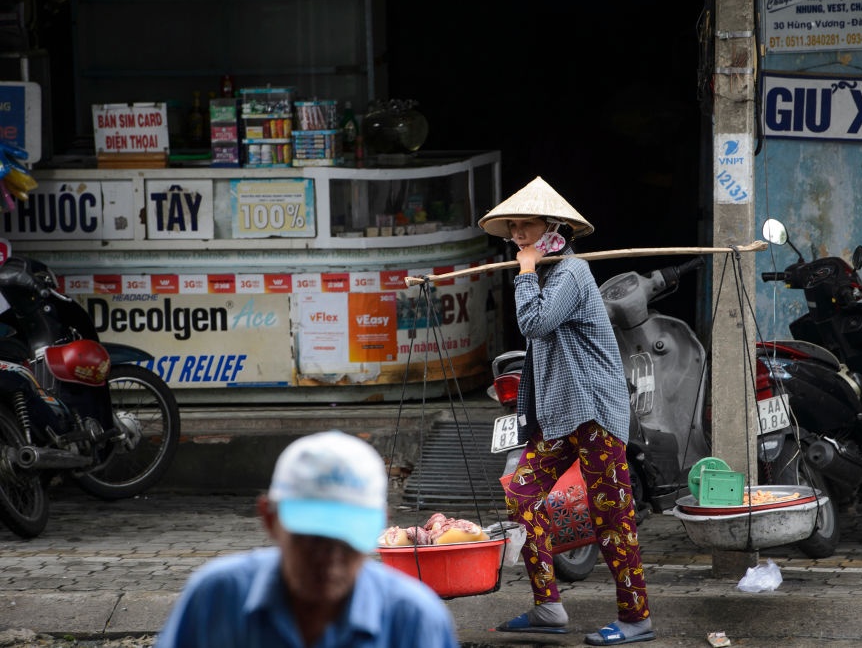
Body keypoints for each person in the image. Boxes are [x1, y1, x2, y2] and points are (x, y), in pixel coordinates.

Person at [478, 176, 654, 646]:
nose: (517, 236)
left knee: (611, 514)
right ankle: (549, 605)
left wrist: (526, 270)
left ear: (551, 226)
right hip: (559, 415)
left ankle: (636, 617)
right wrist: (532, 269)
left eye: (525, 226)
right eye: (512, 228)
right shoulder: (549, 272)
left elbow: (533, 323)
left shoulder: (572, 273)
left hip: (593, 410)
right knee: (521, 495)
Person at [155, 430, 459, 648]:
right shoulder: (215, 598)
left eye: (346, 538)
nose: (327, 558)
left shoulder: (414, 620)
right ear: (270, 519)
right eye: (311, 537)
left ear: (381, 525)